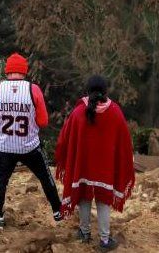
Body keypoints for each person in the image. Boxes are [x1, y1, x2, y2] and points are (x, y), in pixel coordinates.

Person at [55, 76, 135, 251]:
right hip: (105, 169)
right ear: (105, 91)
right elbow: (125, 144)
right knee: (103, 200)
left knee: (83, 196)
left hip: (82, 167)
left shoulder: (77, 113)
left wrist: (67, 158)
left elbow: (64, 140)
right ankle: (105, 240)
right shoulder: (115, 112)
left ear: (88, 90)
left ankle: (84, 233)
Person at [0, 52, 63, 230]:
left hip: (4, 145)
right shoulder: (33, 89)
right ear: (24, 71)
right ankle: (58, 212)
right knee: (45, 177)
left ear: (7, 71)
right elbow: (43, 122)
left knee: (1, 181)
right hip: (29, 145)